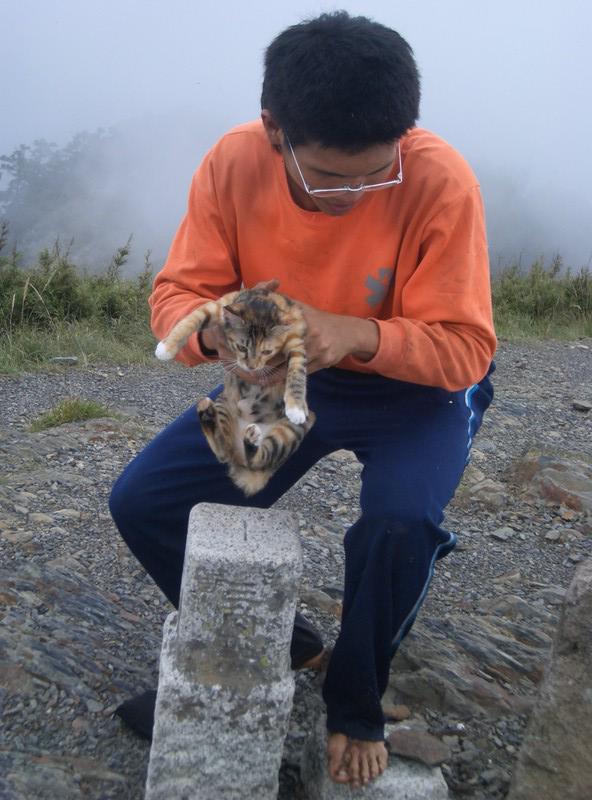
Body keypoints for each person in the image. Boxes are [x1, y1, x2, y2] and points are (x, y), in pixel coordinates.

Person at [110, 10, 496, 790]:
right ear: (273, 130)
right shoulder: (234, 162)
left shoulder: (438, 179)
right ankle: (289, 646)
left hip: (415, 391)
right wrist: (221, 335)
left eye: (375, 173)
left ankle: (354, 702)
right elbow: (178, 296)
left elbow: (465, 349)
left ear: (402, 137)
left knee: (399, 522)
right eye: (327, 176)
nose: (353, 194)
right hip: (286, 377)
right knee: (146, 502)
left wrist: (355, 334)